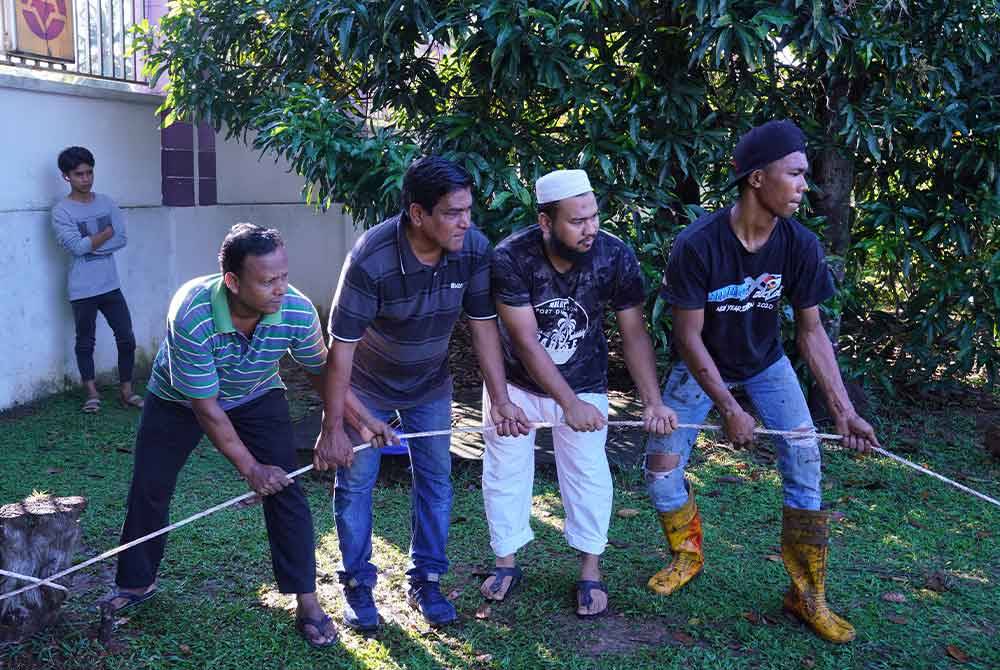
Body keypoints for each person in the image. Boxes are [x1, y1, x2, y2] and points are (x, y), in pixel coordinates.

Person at [645, 120, 880, 643]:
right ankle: (687, 555)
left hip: (766, 364)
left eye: (804, 175)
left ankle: (807, 594)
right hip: (704, 363)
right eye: (794, 174)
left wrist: (843, 412)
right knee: (661, 469)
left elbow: (812, 333)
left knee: (804, 460)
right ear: (757, 179)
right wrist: (729, 408)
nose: (803, 186)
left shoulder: (800, 244)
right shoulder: (698, 244)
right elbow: (687, 337)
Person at [314, 156, 531, 631]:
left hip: (430, 384)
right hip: (366, 385)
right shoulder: (371, 258)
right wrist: (335, 425)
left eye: (468, 210)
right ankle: (357, 585)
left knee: (436, 480)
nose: (465, 221)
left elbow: (483, 327)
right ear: (417, 213)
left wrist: (501, 399)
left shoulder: (472, 249)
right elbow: (340, 349)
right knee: (356, 484)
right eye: (453, 212)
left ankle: (426, 580)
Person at [105, 224, 338, 649]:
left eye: (284, 276)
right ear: (232, 281)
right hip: (179, 399)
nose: (280, 289)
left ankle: (307, 601)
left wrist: (344, 423)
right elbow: (207, 408)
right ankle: (136, 582)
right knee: (150, 486)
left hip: (257, 391)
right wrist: (251, 469)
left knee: (287, 488)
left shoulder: (296, 309)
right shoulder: (192, 311)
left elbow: (322, 371)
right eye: (267, 281)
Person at [478, 169, 679, 618]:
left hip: (586, 380)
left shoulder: (615, 255)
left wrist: (652, 400)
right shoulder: (511, 257)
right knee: (505, 472)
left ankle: (590, 569)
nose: (590, 228)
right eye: (576, 220)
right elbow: (524, 341)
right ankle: (506, 562)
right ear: (545, 222)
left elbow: (634, 333)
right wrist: (564, 403)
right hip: (515, 384)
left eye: (593, 217)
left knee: (588, 474)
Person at [51, 146, 142, 413]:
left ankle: (127, 391)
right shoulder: (61, 211)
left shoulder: (107, 203)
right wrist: (105, 234)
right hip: (82, 288)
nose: (86, 179)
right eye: (79, 174)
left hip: (110, 284)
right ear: (66, 176)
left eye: (89, 172)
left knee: (126, 337)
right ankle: (91, 393)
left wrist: (90, 244)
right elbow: (76, 247)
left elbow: (121, 238)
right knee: (85, 341)